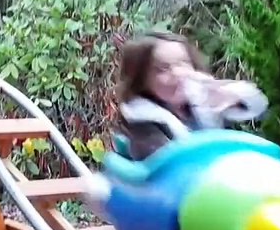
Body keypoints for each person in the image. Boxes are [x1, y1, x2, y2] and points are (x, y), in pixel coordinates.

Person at [114, 32, 268, 160]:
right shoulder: (141, 121)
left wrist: (231, 93)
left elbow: (259, 106)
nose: (178, 73)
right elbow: (166, 167)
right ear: (142, 79)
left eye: (183, 63)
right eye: (162, 69)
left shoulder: (201, 98)